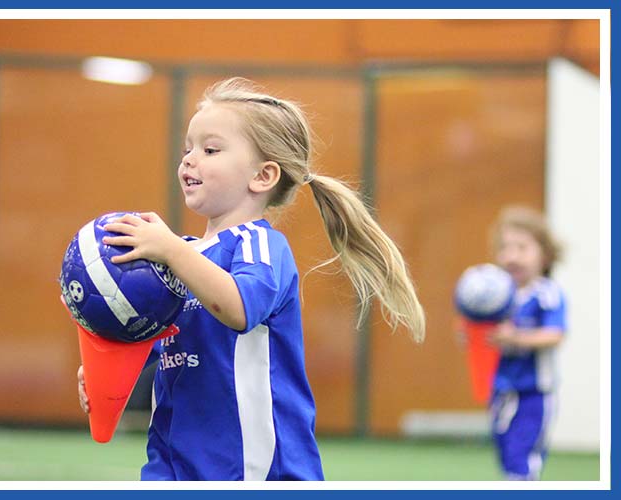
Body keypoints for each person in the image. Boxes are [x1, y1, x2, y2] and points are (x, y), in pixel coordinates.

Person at [77, 77, 426, 480]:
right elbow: (162, 340)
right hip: (174, 467)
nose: (190, 159)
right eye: (187, 149)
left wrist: (172, 250)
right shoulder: (179, 259)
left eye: (210, 149)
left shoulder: (259, 246)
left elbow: (239, 308)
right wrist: (111, 368)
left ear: (262, 176)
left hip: (253, 472)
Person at [487, 205, 566, 481]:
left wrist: (516, 338)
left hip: (534, 393)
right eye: (506, 247)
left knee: (523, 457)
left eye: (522, 248)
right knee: (506, 454)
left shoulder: (547, 294)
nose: (512, 256)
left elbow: (555, 335)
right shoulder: (498, 295)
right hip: (502, 390)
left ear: (544, 255)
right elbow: (486, 335)